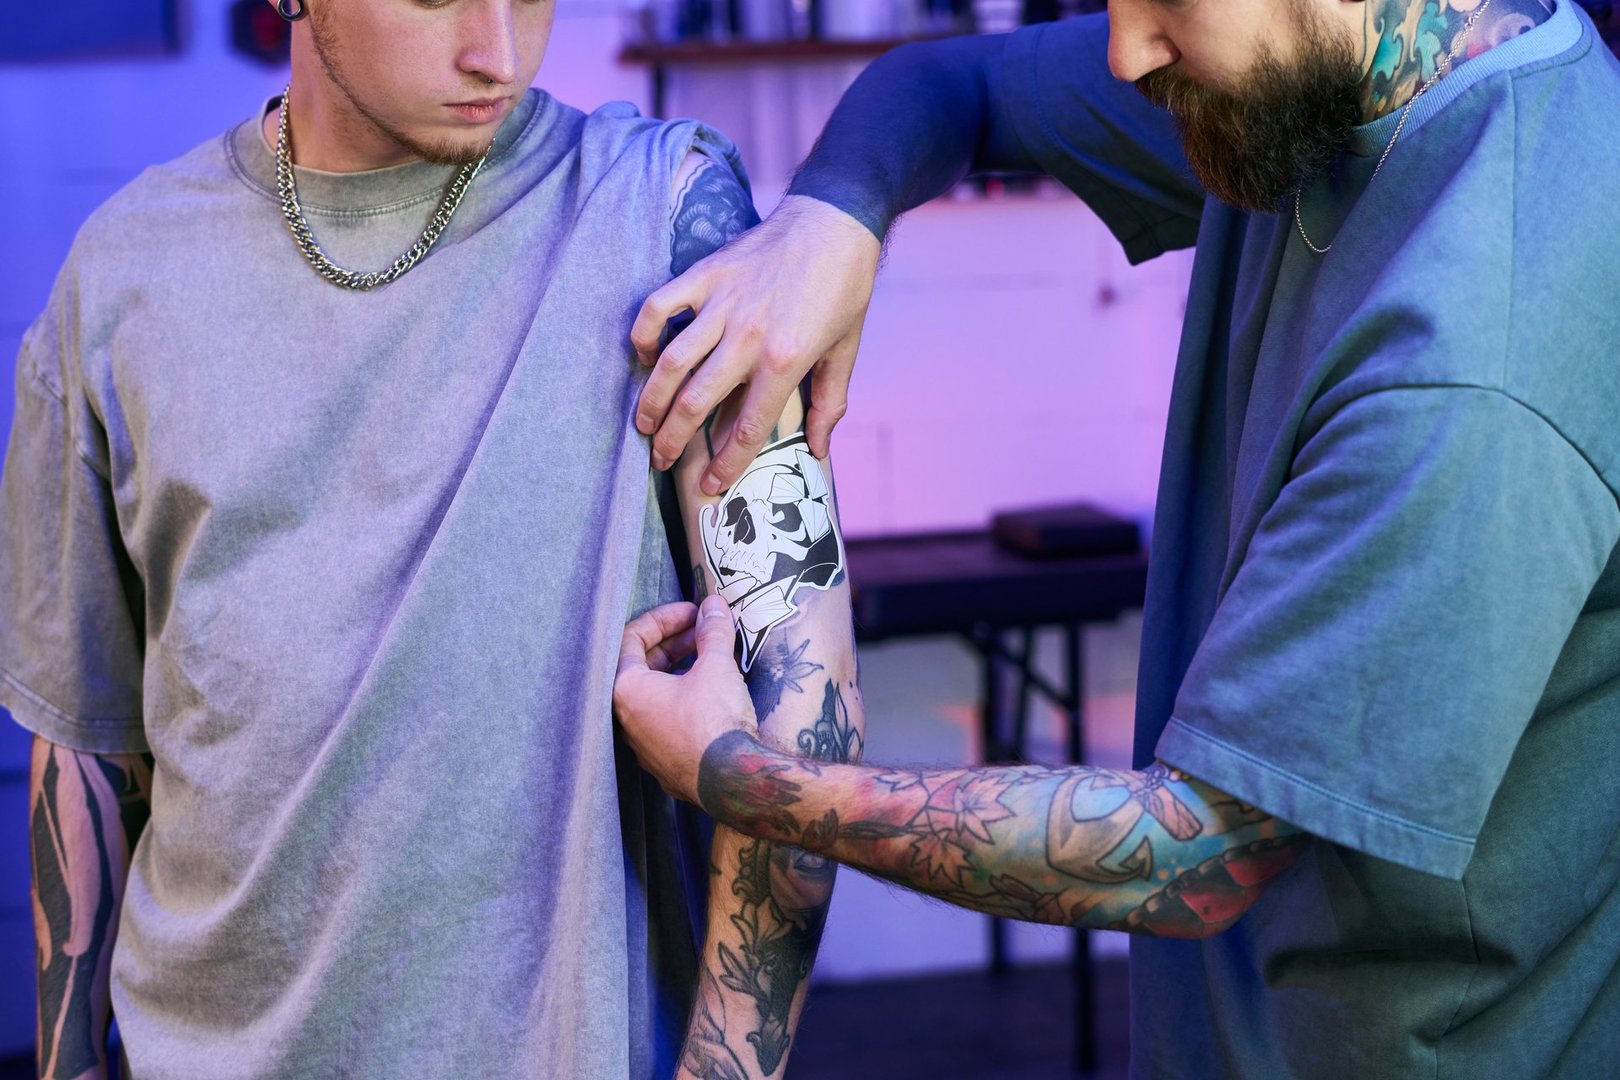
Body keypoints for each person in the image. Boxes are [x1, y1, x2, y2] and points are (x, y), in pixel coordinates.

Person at [613, 0, 1620, 1074]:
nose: (1124, 50)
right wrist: (832, 221)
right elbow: (953, 86)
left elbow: (1187, 857)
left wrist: (735, 774)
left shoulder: (1475, 357)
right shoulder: (1315, 72)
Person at [2, 0, 861, 1077]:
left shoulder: (669, 216)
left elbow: (807, 715)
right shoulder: (121, 275)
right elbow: (85, 749)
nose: (496, 54)